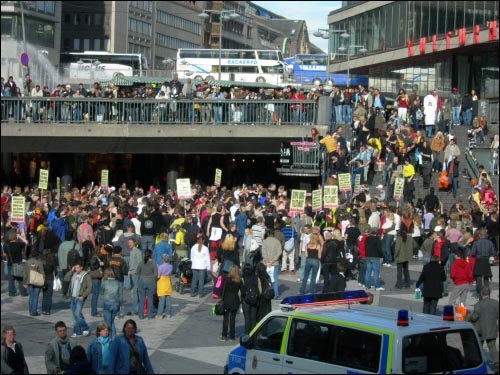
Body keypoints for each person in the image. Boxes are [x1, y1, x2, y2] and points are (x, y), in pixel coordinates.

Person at [470, 287, 499, 371]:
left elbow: (474, 318)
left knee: (479, 347)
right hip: (492, 328)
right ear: (489, 293)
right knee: (492, 347)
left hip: (481, 330)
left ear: (482, 294)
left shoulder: (478, 304)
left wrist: (470, 316)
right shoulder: (496, 303)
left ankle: (477, 363)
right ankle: (496, 363)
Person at [64, 261, 92, 337]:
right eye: (75, 267)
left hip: (80, 297)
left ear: (81, 267)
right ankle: (77, 331)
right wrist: (71, 271)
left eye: (77, 267)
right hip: (73, 297)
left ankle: (85, 327)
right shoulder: (74, 274)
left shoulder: (86, 275)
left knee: (77, 313)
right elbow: (66, 278)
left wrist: (83, 295)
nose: (76, 269)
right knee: (74, 315)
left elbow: (89, 288)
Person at [219, 265, 243, 342]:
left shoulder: (227, 279)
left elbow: (222, 290)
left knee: (225, 319)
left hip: (226, 300)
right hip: (235, 301)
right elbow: (243, 291)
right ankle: (232, 337)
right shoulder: (239, 280)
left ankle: (224, 335)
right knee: (232, 319)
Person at [470, 229, 496, 299]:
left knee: (478, 279)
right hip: (486, 261)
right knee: (486, 278)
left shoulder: (476, 243)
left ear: (479, 235)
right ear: (486, 235)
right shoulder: (490, 243)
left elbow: (472, 253)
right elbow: (493, 253)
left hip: (478, 261)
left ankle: (481, 295)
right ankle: (487, 294)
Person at [135, 249, 158, 320]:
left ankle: (141, 316)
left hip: (142, 281)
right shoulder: (154, 263)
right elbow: (156, 275)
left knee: (142, 299)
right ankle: (149, 315)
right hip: (151, 281)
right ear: (151, 255)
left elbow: (137, 272)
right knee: (150, 299)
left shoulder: (141, 262)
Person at [100, 268, 121, 341]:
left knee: (107, 322)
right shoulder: (117, 282)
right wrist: (120, 305)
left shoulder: (104, 282)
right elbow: (120, 295)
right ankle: (114, 337)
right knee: (112, 321)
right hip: (116, 303)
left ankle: (108, 338)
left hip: (107, 302)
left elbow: (101, 292)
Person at [261, 229, 282, 299]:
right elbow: (279, 252)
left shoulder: (264, 241)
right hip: (275, 263)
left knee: (266, 278)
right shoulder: (277, 242)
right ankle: (275, 294)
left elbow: (263, 252)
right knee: (274, 278)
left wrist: (267, 261)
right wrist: (272, 261)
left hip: (266, 263)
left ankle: (266, 292)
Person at [22, 248, 44, 316]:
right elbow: (42, 273)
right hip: (37, 281)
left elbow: (25, 273)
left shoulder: (27, 262)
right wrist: (43, 281)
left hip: (29, 281)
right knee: (35, 297)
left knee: (31, 296)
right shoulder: (39, 262)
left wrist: (24, 282)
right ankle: (34, 311)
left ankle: (30, 310)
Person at [190, 233, 210, 298]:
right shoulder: (205, 248)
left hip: (195, 265)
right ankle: (200, 294)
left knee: (194, 279)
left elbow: (191, 257)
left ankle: (192, 292)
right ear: (203, 241)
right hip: (202, 266)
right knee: (201, 280)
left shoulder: (193, 247)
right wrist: (208, 267)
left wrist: (193, 262)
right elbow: (207, 258)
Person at [89, 246, 105, 317]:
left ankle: (94, 311)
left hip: (97, 278)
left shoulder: (97, 257)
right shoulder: (94, 258)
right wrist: (99, 264)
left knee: (96, 295)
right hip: (95, 278)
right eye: (101, 249)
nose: (102, 250)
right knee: (95, 295)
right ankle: (94, 311)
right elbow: (92, 267)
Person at [156, 254, 173, 319]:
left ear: (163, 259)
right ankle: (168, 314)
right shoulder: (170, 266)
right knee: (168, 300)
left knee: (161, 301)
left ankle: (160, 314)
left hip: (161, 283)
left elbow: (158, 276)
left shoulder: (160, 267)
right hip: (168, 283)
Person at [42, 249, 56, 315]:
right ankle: (48, 310)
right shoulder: (52, 261)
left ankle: (44, 309)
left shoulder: (42, 262)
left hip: (44, 279)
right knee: (49, 296)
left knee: (44, 295)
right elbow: (55, 271)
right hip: (51, 278)